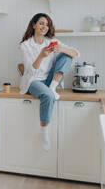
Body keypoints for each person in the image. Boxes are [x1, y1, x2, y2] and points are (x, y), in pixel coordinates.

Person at [19, 13, 79, 151]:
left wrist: (61, 49)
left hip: (48, 80)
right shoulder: (25, 46)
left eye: (47, 24)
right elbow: (29, 71)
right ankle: (44, 131)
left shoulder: (50, 41)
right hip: (32, 81)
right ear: (33, 25)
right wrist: (41, 56)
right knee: (48, 96)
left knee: (67, 56)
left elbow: (76, 53)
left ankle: (52, 87)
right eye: (41, 23)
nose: (44, 27)